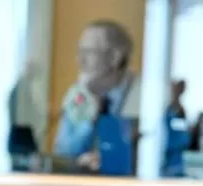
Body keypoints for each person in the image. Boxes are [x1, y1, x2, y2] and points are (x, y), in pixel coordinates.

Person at [54, 20, 141, 171]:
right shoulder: (78, 94)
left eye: (88, 52)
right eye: (79, 52)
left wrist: (111, 158)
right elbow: (63, 153)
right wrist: (89, 120)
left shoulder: (146, 96)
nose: (80, 60)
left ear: (115, 58)